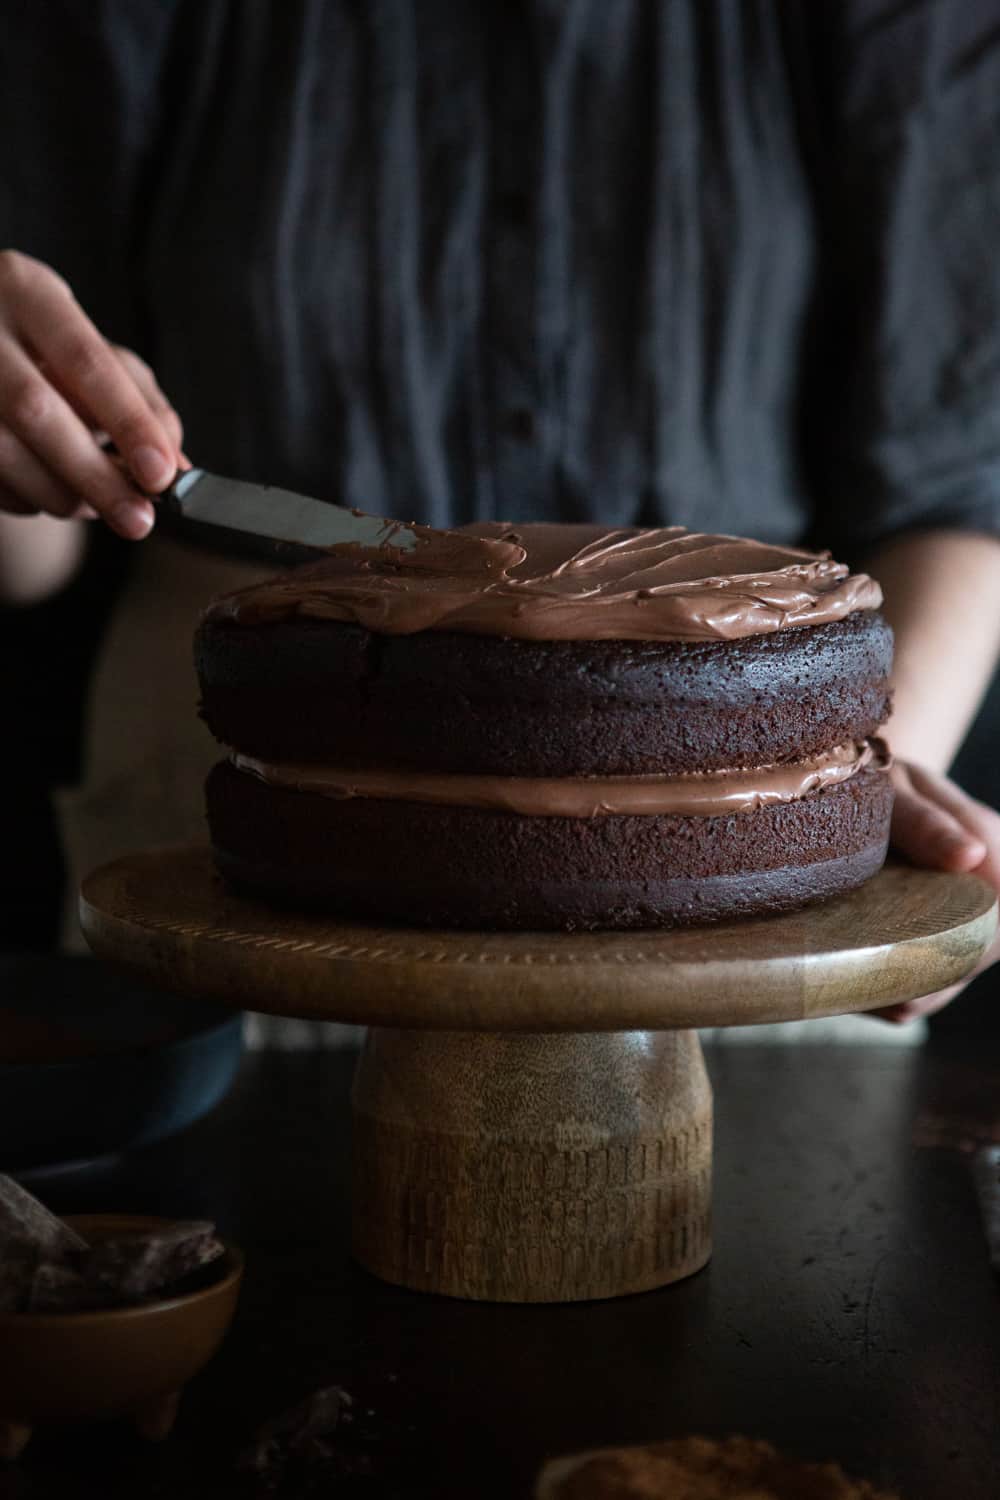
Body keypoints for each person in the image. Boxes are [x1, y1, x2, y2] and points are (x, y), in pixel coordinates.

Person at [1, 2, 999, 1022]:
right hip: (241, 829)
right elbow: (27, 558)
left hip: (749, 841)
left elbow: (957, 481)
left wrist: (831, 810)